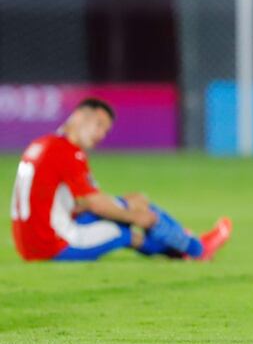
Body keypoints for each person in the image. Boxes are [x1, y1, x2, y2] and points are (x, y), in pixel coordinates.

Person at [10, 98, 232, 262]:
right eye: (99, 125)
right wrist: (136, 216)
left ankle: (186, 249)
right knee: (127, 231)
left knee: (134, 205)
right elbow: (95, 204)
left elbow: (67, 200)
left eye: (105, 131)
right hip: (51, 245)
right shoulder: (67, 151)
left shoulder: (43, 143)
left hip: (30, 242)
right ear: (79, 116)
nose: (101, 135)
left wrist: (128, 207)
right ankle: (197, 250)